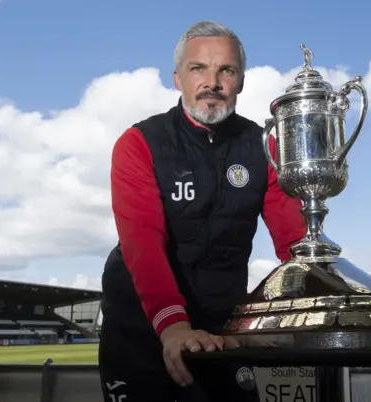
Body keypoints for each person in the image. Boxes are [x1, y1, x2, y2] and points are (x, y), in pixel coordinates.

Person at [99, 20, 306, 402]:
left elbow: (295, 244)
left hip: (221, 330)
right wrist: (173, 325)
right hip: (142, 327)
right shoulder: (138, 143)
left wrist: (309, 308)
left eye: (225, 70)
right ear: (178, 78)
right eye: (199, 69)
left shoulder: (266, 147)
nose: (212, 82)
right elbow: (142, 242)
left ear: (241, 80)